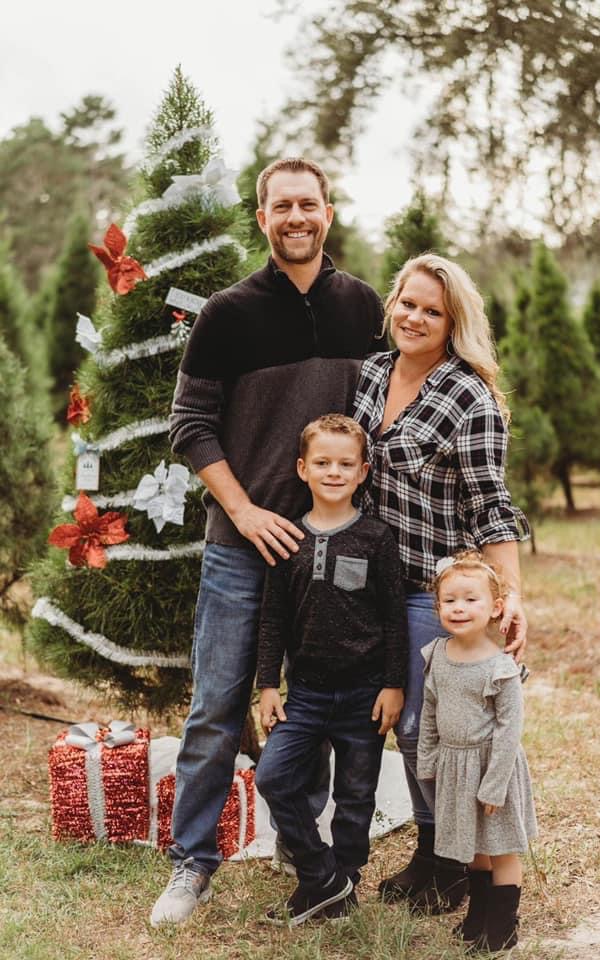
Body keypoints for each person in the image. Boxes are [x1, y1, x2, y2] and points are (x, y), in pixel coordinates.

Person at [151, 158, 384, 927]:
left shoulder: (363, 307)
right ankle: (193, 861)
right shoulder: (227, 313)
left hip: (330, 548)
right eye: (281, 206)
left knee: (315, 696)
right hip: (241, 545)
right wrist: (245, 510)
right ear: (262, 218)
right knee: (218, 705)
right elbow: (189, 424)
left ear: (328, 212)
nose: (296, 217)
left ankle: (298, 840)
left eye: (308, 204)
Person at [351, 253, 530, 913]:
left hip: (435, 590)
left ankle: (453, 862)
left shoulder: (467, 396)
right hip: (371, 586)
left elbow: (491, 506)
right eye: (408, 303)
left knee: (433, 725)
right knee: (396, 725)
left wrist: (509, 595)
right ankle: (433, 850)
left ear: (453, 323)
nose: (416, 318)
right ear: (392, 304)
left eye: (433, 311)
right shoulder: (371, 374)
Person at [254, 414, 408, 925]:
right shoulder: (288, 539)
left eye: (345, 464)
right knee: (274, 777)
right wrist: (267, 685)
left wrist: (394, 684)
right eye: (322, 463)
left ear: (363, 472)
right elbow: (272, 619)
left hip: (365, 693)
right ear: (303, 469)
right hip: (306, 694)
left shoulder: (376, 538)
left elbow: (394, 619)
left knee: (355, 796)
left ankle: (344, 883)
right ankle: (321, 875)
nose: (334, 472)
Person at [417, 550, 537, 952]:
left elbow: (509, 731)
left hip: (491, 768)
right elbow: (429, 711)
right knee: (472, 848)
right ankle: (478, 916)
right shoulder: (437, 655)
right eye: (449, 600)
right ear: (437, 607)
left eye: (471, 599)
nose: (459, 608)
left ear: (495, 608)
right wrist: (428, 760)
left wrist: (494, 785)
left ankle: (502, 927)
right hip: (455, 766)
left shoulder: (500, 668)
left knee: (500, 848)